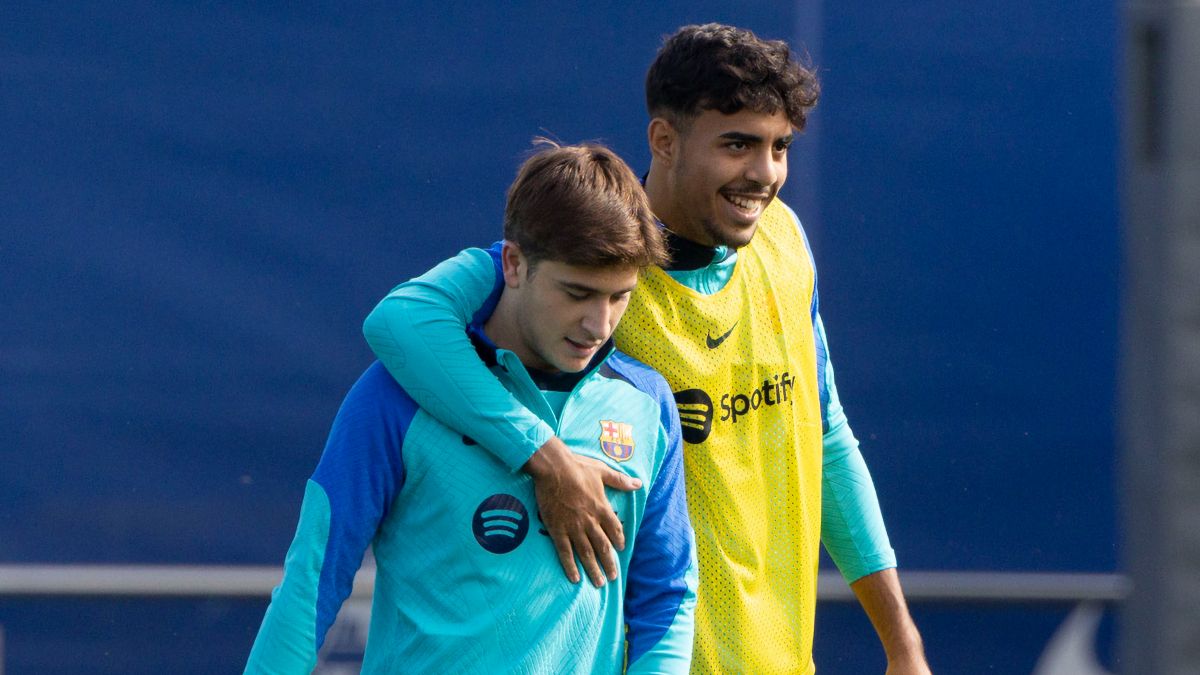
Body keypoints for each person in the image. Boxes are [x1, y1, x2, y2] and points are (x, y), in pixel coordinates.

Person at [362, 24, 930, 674]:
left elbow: (827, 438)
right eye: (738, 144)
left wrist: (902, 642)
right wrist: (546, 458)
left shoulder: (785, 241)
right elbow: (399, 321)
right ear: (663, 139)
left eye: (780, 147)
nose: (765, 173)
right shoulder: (590, 270)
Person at [246, 142, 698, 674]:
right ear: (512, 263)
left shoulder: (646, 404)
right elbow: (310, 585)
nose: (598, 326)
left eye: (618, 297)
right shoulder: (395, 396)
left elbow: (666, 597)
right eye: (576, 293)